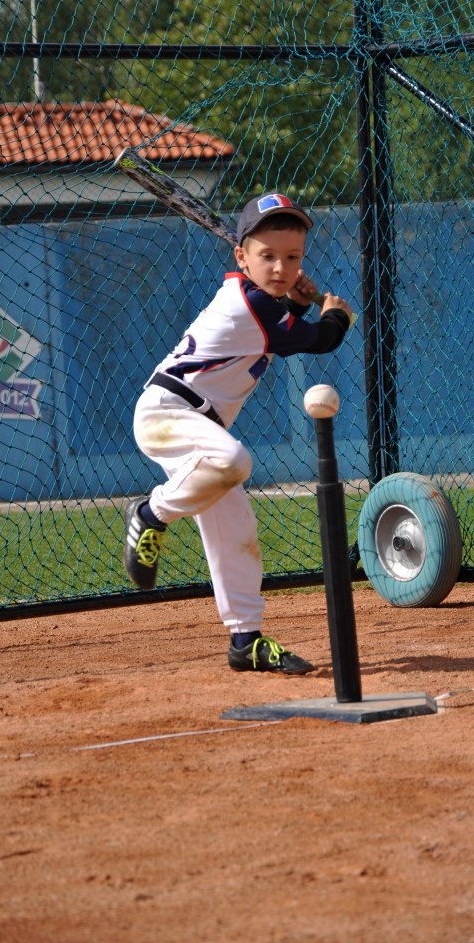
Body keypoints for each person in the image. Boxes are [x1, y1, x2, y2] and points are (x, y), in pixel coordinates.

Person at [123, 192, 353, 674]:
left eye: (292, 257)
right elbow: (318, 339)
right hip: (167, 413)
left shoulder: (262, 302)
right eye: (266, 256)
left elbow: (283, 320)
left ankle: (244, 640)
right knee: (234, 461)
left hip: (196, 426)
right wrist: (335, 312)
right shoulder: (248, 304)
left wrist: (292, 297)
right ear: (240, 257)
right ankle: (151, 513)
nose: (280, 266)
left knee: (236, 531)